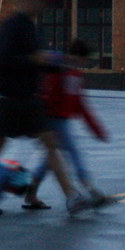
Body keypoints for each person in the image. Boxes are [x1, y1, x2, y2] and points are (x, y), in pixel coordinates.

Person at [0, 0, 90, 216]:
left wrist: (62, 63)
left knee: (50, 144)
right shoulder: (12, 25)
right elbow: (3, 59)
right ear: (30, 0)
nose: (44, 7)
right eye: (42, 1)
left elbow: (39, 62)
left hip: (31, 99)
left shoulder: (34, 28)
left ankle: (72, 197)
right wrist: (33, 59)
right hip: (11, 98)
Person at [21, 39, 112, 210]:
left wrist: (97, 130)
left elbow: (80, 104)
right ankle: (90, 190)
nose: (84, 63)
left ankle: (31, 193)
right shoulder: (59, 68)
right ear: (78, 56)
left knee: (49, 160)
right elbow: (49, 95)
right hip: (52, 120)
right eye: (84, 59)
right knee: (73, 152)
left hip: (56, 120)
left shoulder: (73, 74)